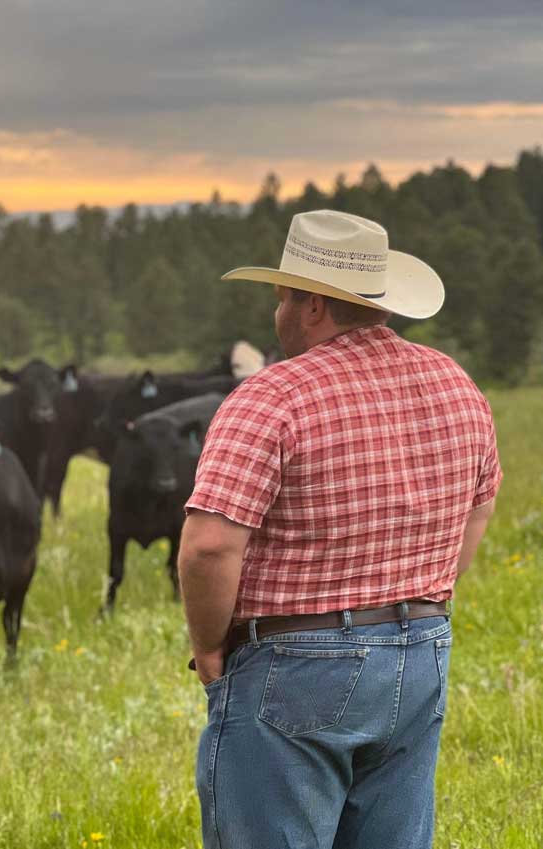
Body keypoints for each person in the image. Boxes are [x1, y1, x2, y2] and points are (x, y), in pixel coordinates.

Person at [178, 209, 502, 849]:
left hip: (295, 660)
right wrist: (425, 591)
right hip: (420, 648)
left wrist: (210, 645)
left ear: (312, 305)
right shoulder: (454, 382)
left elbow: (211, 544)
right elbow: (481, 505)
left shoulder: (272, 395)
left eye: (281, 297)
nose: (277, 312)